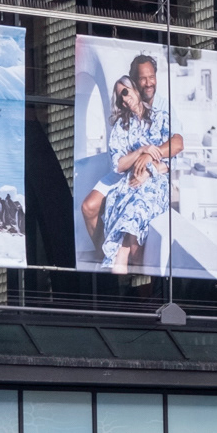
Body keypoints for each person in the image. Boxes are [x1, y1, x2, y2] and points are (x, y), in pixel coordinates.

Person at [80, 55, 184, 271]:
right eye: (120, 97)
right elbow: (118, 164)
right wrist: (142, 151)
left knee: (132, 231)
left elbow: (176, 148)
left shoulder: (161, 115)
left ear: (134, 89)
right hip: (128, 179)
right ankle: (114, 259)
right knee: (122, 222)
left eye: (126, 92)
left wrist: (150, 163)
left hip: (154, 179)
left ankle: (117, 262)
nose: (125, 99)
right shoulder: (122, 126)